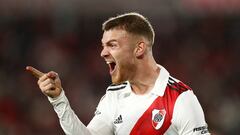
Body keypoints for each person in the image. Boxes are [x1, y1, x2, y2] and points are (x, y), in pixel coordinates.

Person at [26, 12, 210, 135]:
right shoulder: (114, 95)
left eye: (112, 45)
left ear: (139, 48)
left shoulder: (180, 99)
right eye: (103, 45)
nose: (103, 53)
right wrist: (59, 100)